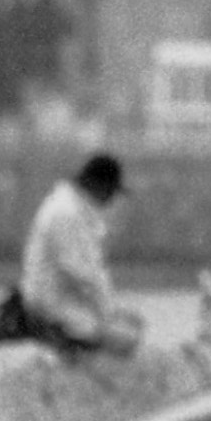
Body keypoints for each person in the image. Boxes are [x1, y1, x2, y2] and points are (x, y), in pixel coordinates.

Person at [17, 152, 145, 354]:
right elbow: (79, 273)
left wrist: (113, 310)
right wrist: (110, 312)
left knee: (130, 326)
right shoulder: (66, 213)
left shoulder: (76, 209)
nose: (111, 198)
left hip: (67, 300)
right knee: (124, 338)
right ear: (97, 185)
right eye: (111, 191)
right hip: (53, 304)